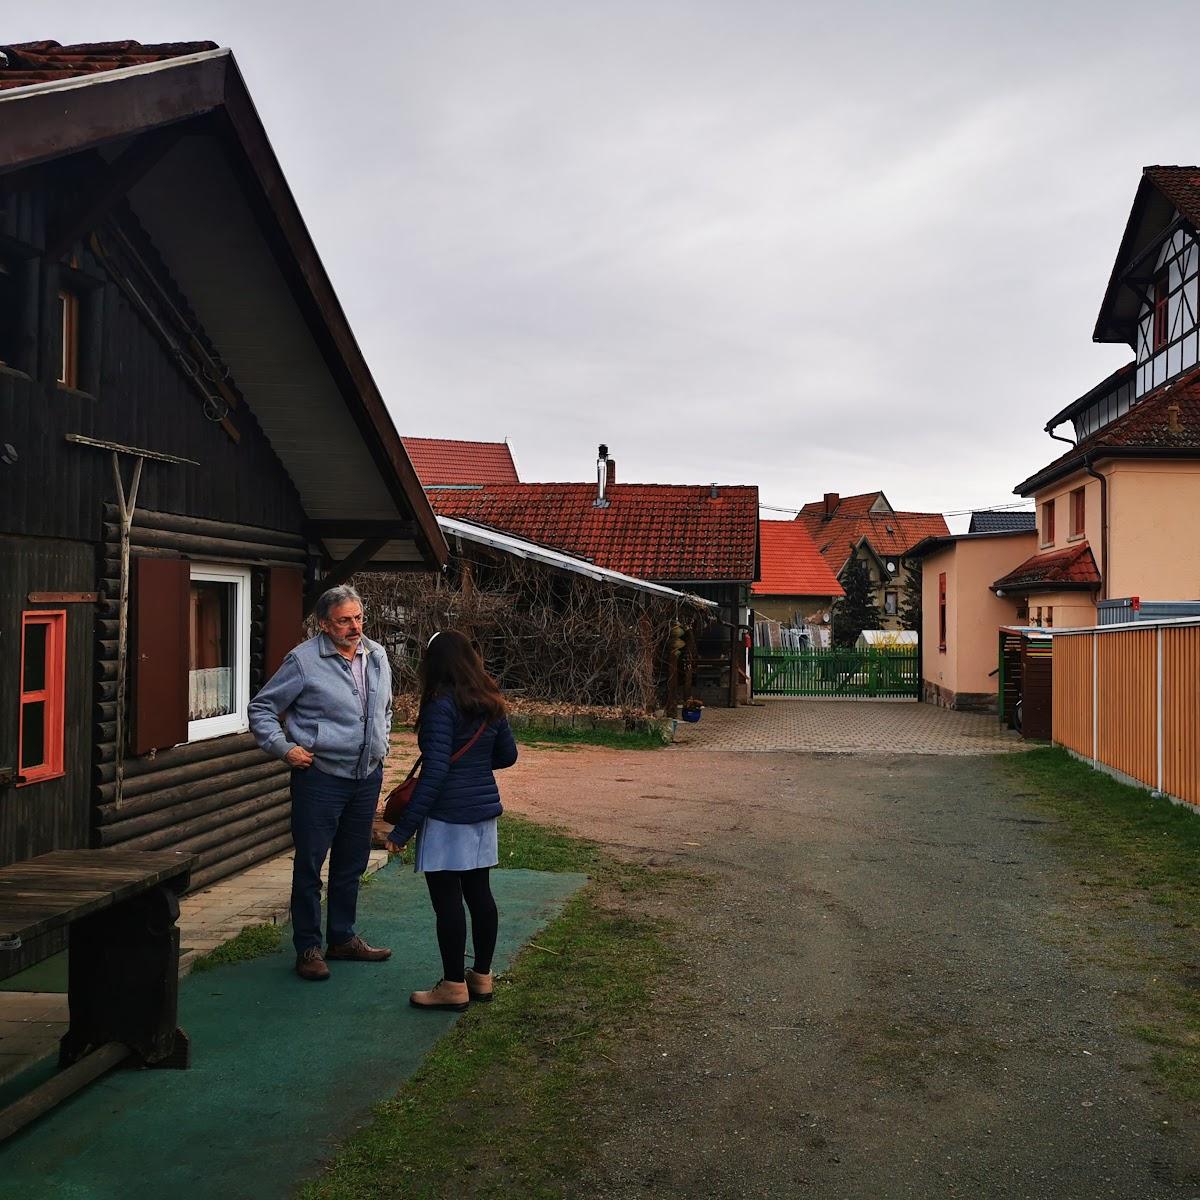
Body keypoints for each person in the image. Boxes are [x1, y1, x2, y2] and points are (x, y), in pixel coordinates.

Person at [248, 585, 394, 982]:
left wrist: (384, 742)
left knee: (351, 862)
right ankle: (309, 947)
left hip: (366, 777)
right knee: (311, 864)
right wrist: (284, 749)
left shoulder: (377, 655)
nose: (355, 626)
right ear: (324, 624)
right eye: (345, 620)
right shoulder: (303, 661)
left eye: (359, 617)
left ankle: (342, 938)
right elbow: (261, 708)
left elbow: (385, 708)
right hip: (320, 778)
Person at [387, 630, 518, 1012]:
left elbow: (436, 772)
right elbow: (507, 755)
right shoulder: (491, 702)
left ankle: (453, 986)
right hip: (481, 814)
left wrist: (402, 829)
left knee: (448, 903)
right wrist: (475, 768)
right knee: (480, 896)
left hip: (447, 816)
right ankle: (482, 977)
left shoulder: (439, 705)